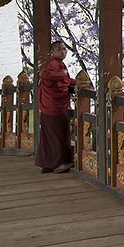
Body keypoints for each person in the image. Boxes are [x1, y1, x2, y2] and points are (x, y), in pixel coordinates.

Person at [35, 40, 76, 174]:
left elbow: (65, 81)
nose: (63, 51)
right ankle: (59, 163)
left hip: (51, 105)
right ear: (52, 52)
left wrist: (75, 82)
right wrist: (62, 75)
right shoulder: (53, 64)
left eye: (64, 49)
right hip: (54, 106)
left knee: (49, 135)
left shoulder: (60, 64)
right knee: (58, 135)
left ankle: (47, 164)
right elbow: (46, 75)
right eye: (60, 49)